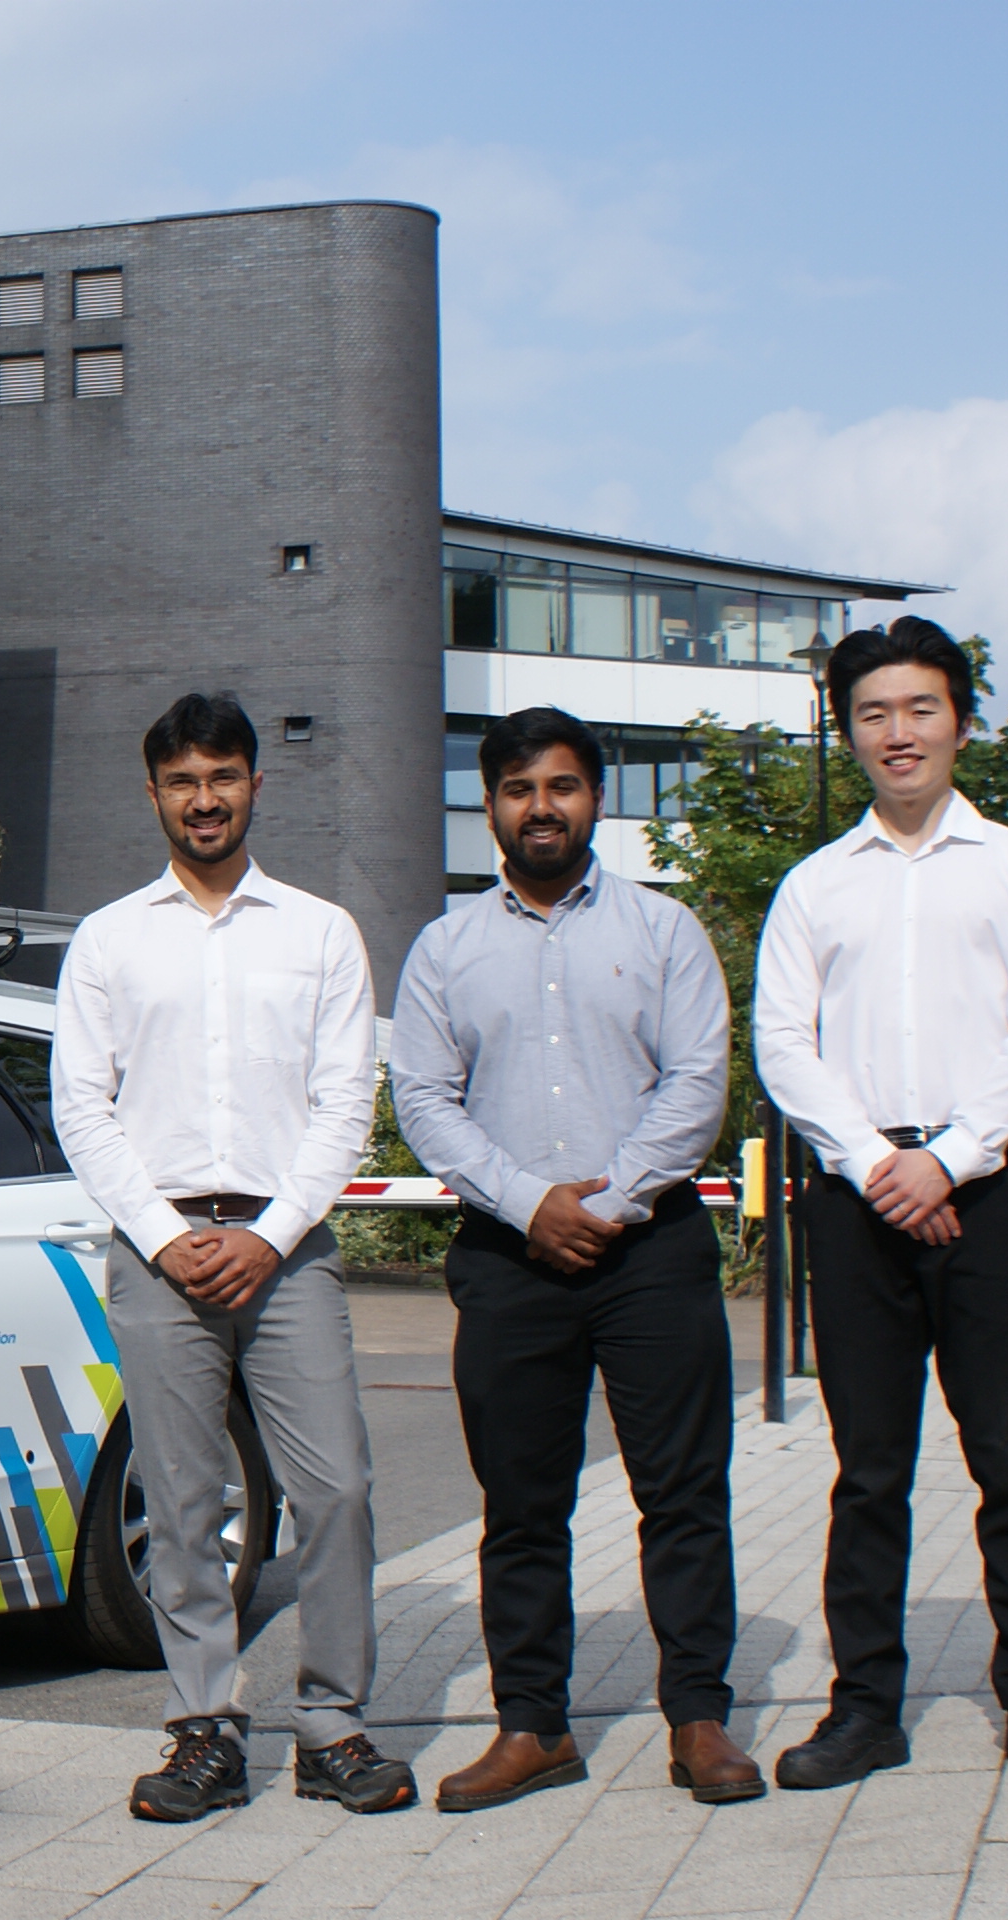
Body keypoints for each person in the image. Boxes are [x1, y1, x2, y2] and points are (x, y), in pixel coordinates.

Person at [754, 615, 1008, 1790]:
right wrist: (876, 1164)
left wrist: (947, 1161)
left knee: (1005, 1450)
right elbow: (782, 1047)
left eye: (917, 709)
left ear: (958, 720)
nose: (896, 733)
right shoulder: (813, 888)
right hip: (856, 1201)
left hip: (986, 1194)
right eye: (870, 714)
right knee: (868, 1468)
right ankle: (864, 1709)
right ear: (845, 731)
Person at [391, 709, 759, 1813]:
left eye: (559, 786)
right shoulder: (444, 949)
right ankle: (531, 1727)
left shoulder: (661, 931)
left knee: (681, 1492)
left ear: (594, 799)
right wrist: (525, 1203)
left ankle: (696, 1717)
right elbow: (421, 1097)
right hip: (509, 1259)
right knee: (519, 1504)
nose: (537, 807)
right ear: (490, 805)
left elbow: (696, 1081)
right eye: (515, 788)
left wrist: (610, 1197)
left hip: (648, 1253)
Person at [51, 690, 409, 1822]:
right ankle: (203, 1725)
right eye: (180, 781)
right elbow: (81, 1108)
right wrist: (167, 1238)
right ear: (152, 792)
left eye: (221, 777)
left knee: (337, 1488)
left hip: (286, 1247)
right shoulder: (108, 939)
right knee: (181, 1495)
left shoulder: (317, 933)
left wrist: (266, 1236)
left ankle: (332, 1725)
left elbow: (344, 1102)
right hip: (157, 1251)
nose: (202, 799)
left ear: (256, 783)